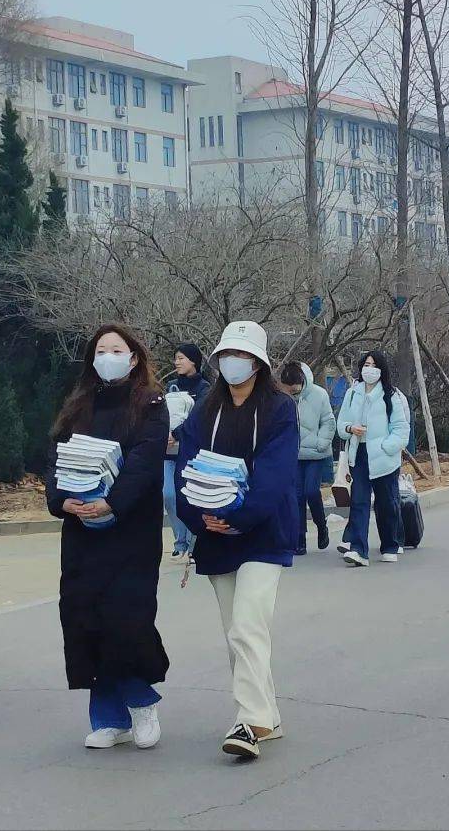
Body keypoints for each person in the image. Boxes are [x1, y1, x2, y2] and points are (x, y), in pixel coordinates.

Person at [176, 321, 299, 761]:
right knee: (237, 633)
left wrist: (239, 518)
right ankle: (269, 716)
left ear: (259, 363)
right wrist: (201, 517)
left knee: (248, 624)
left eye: (243, 355)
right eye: (228, 353)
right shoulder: (203, 411)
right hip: (214, 535)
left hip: (263, 533)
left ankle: (248, 721)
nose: (234, 362)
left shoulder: (280, 410)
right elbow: (184, 469)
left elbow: (276, 475)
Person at [45, 323, 171, 751]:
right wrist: (61, 500)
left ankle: (141, 701)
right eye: (101, 349)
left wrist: (112, 503)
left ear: (134, 357)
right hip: (81, 532)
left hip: (130, 531)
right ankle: (107, 717)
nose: (108, 356)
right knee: (85, 617)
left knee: (125, 617)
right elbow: (55, 458)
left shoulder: (151, 404)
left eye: (117, 349)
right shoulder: (78, 404)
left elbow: (145, 461)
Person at [336, 351, 410, 567]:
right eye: (366, 364)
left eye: (374, 365)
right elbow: (341, 425)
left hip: (384, 457)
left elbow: (401, 429)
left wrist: (387, 446)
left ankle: (390, 544)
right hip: (359, 453)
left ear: (381, 370)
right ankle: (359, 550)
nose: (369, 369)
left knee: (386, 503)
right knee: (359, 502)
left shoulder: (391, 395)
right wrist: (351, 429)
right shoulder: (352, 393)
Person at [280, 361, 335, 554]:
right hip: (293, 455)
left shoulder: (319, 395)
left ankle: (322, 526)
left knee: (311, 491)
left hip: (316, 454)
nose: (292, 393)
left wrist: (322, 442)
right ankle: (299, 538)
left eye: (294, 390)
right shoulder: (283, 398)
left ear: (302, 381)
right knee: (296, 497)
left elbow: (328, 421)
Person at [163, 343, 210, 560]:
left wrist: (177, 433)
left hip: (191, 451)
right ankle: (179, 540)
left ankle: (193, 543)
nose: (177, 362)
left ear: (193, 361)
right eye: (176, 358)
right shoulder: (170, 386)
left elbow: (199, 418)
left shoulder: (204, 388)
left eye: (181, 358)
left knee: (189, 496)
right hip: (168, 451)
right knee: (169, 495)